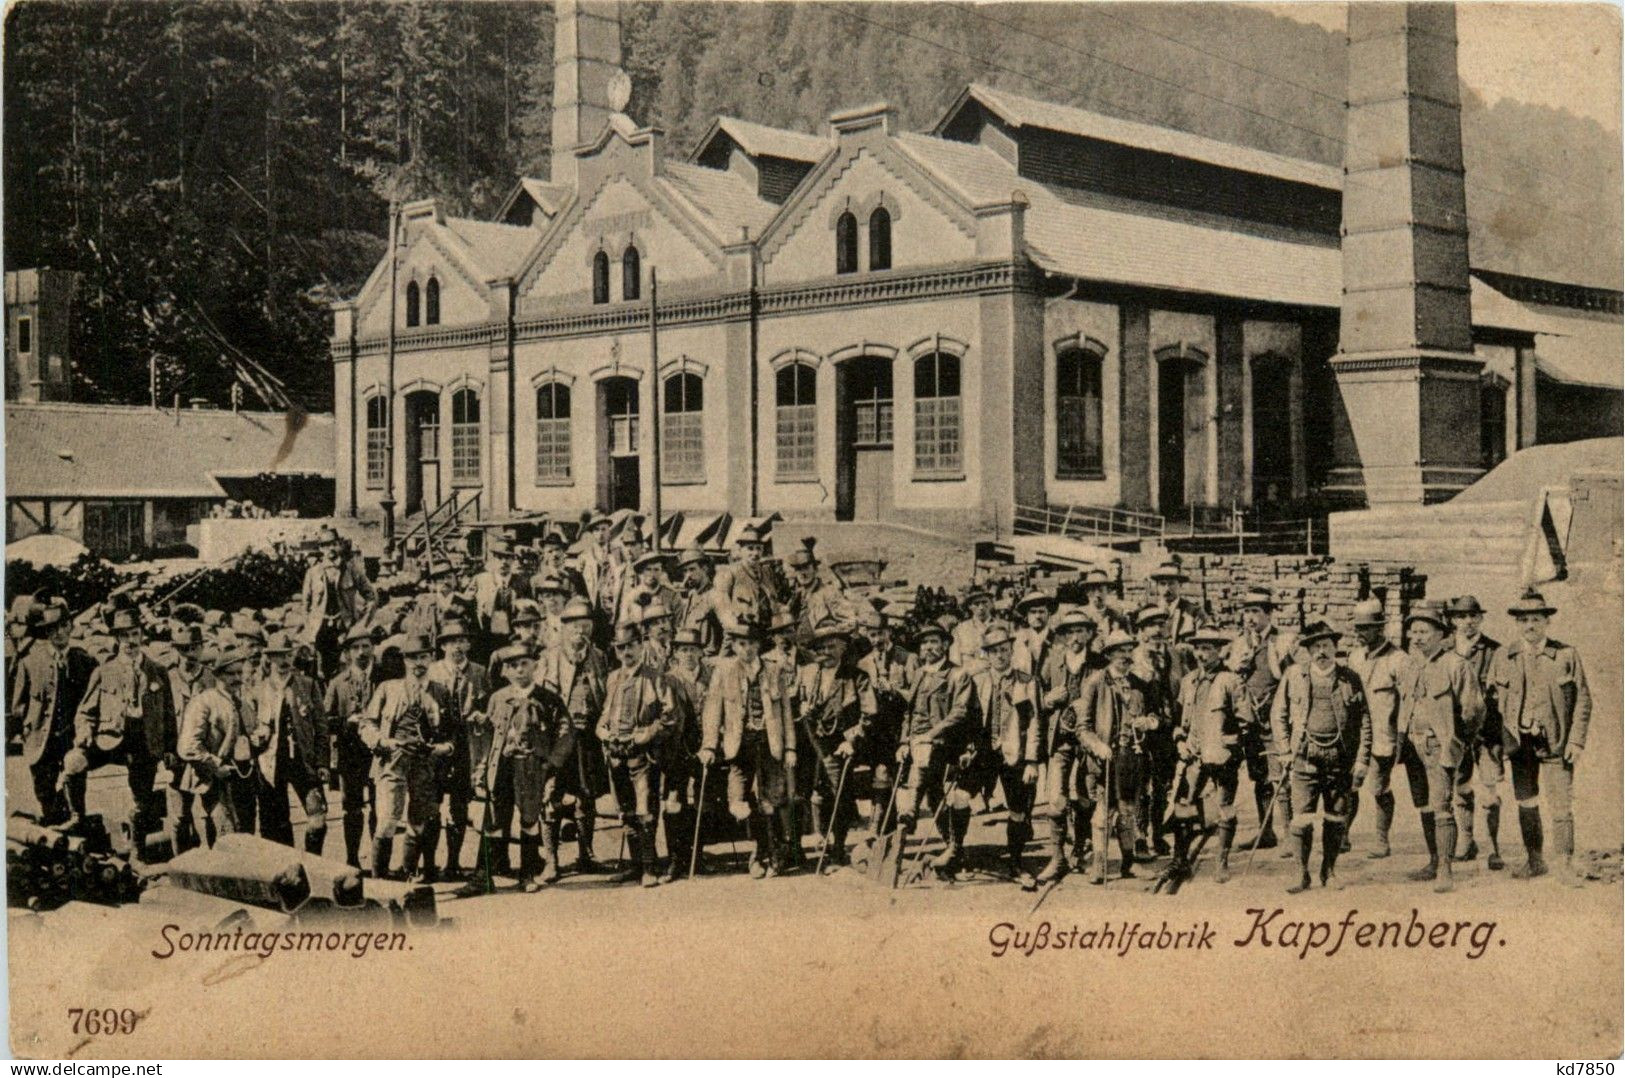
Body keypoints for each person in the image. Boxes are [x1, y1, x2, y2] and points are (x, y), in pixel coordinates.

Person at [1490, 588, 1592, 884]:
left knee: (1561, 805)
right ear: (1516, 624)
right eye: (1523, 621)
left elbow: (1584, 700)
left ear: (1547, 622)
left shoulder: (1565, 655)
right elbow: (1493, 702)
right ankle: (1534, 860)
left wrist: (1576, 740)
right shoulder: (1504, 656)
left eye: (1535, 619)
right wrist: (1499, 745)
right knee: (1526, 802)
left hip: (1556, 743)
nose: (1530, 626)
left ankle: (1564, 864)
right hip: (1519, 745)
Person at [1269, 621, 1370, 893]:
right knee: (1301, 818)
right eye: (1315, 646)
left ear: (1335, 648)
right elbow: (1278, 715)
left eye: (1326, 645)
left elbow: (1364, 722)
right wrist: (1284, 750)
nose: (1321, 652)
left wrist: (1362, 760)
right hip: (1303, 757)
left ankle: (1330, 870)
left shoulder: (1350, 678)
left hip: (1340, 758)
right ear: (1308, 650)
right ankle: (1301, 874)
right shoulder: (1294, 676)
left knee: (1336, 817)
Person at [66, 609, 177, 857]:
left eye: (134, 634)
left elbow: (169, 716)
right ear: (116, 639)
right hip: (109, 740)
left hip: (144, 741)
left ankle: (137, 853)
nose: (130, 641)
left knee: (142, 801)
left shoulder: (158, 671)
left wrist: (170, 748)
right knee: (73, 762)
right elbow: (84, 712)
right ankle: (77, 818)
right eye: (124, 636)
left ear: (142, 635)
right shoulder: (105, 671)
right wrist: (84, 733)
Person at [1395, 601, 1484, 893]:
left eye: (1424, 631)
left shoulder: (1455, 665)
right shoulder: (1409, 664)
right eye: (1413, 632)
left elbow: (1473, 711)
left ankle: (1446, 870)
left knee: (1443, 807)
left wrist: (1457, 741)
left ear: (1439, 634)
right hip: (1411, 745)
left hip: (1439, 746)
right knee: (1424, 806)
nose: (1417, 637)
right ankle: (1433, 861)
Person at [465, 643, 567, 894]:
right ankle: (483, 877)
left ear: (535, 666)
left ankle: (528, 875)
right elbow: (488, 734)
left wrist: (551, 761)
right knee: (494, 819)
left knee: (530, 819)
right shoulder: (498, 698)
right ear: (505, 671)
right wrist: (481, 767)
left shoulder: (548, 699)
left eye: (524, 664)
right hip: (501, 766)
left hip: (530, 767)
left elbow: (565, 733)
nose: (519, 670)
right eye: (513, 665)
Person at [700, 618, 793, 878]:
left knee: (770, 802)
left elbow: (785, 712)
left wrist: (790, 748)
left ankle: (767, 855)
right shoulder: (724, 671)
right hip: (738, 747)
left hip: (769, 745)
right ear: (735, 645)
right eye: (742, 644)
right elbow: (712, 711)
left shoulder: (774, 670)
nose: (747, 649)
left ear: (759, 645)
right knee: (738, 803)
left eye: (752, 643)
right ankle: (762, 850)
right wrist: (709, 745)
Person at [360, 634, 452, 880]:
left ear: (432, 658)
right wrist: (382, 741)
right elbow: (367, 724)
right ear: (404, 661)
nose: (418, 663)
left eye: (423, 657)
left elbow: (452, 734)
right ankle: (378, 882)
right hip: (393, 761)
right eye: (412, 658)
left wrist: (443, 748)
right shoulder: (388, 689)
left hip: (426, 764)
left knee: (418, 823)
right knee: (387, 822)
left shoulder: (441, 692)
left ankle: (407, 875)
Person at [792, 620, 877, 873]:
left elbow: (869, 713)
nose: (825, 653)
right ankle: (814, 843)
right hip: (809, 743)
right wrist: (802, 708)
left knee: (838, 793)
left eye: (831, 647)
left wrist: (851, 739)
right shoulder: (808, 673)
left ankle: (838, 848)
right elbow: (797, 702)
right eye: (820, 648)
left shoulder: (856, 677)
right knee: (810, 793)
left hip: (838, 745)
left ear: (842, 648)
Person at [598, 625, 680, 887]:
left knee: (645, 809)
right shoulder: (613, 679)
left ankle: (649, 867)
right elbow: (605, 714)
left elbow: (670, 717)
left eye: (630, 646)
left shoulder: (656, 678)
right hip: (616, 753)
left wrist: (649, 732)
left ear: (641, 646)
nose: (626, 652)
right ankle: (635, 865)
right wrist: (601, 730)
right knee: (625, 811)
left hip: (643, 755)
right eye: (620, 648)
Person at [1173, 627, 1256, 884]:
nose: (1201, 654)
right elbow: (1178, 721)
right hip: (1193, 756)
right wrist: (1179, 742)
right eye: (1198, 648)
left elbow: (1247, 722)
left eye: (1207, 648)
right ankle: (1180, 860)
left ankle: (1222, 861)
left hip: (1221, 756)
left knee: (1225, 809)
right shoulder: (1188, 682)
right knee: (1183, 806)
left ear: (1219, 651)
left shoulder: (1231, 681)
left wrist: (1233, 749)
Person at [537, 599, 612, 875]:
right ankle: (551, 861)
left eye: (585, 626)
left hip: (588, 735)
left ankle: (586, 854)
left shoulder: (599, 656)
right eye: (575, 627)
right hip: (559, 737)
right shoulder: (550, 657)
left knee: (585, 796)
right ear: (564, 629)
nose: (580, 632)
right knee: (552, 796)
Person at [894, 617, 973, 877]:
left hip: (947, 745)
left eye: (934, 642)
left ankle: (946, 842)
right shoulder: (919, 674)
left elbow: (959, 713)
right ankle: (938, 841)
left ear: (945, 645)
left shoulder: (958, 675)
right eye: (924, 643)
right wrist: (905, 742)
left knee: (943, 797)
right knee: (930, 795)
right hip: (918, 745)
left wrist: (929, 735)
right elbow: (908, 713)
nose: (928, 647)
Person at [963, 625, 1040, 887]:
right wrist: (967, 748)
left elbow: (1034, 724)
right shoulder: (977, 680)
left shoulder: (1026, 681)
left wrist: (1031, 761)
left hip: (1013, 754)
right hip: (984, 752)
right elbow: (968, 717)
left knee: (1017, 810)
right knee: (960, 797)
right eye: (994, 651)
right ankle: (956, 852)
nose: (1000, 655)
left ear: (1011, 650)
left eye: (1004, 650)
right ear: (987, 654)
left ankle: (1016, 862)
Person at [242, 632, 329, 854]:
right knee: (275, 825)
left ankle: (312, 862)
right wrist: (257, 738)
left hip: (303, 760)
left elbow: (321, 728)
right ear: (269, 658)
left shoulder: (308, 685)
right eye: (278, 655)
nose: (283, 661)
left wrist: (322, 762)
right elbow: (248, 728)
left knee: (317, 820)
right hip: (271, 762)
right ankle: (289, 872)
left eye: (287, 655)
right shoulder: (257, 690)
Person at [1075, 630, 1150, 884]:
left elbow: (1156, 715)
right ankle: (1100, 865)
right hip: (1104, 760)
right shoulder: (1095, 682)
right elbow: (1082, 727)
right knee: (1102, 815)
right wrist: (1098, 746)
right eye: (1120, 652)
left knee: (1128, 812)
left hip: (1131, 758)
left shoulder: (1138, 683)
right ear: (1108, 655)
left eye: (1129, 651)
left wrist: (1149, 722)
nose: (1126, 657)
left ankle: (1129, 864)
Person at [1034, 607, 1102, 882]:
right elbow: (1037, 697)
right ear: (1062, 636)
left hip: (1088, 739)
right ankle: (1058, 858)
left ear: (1089, 634)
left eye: (1081, 631)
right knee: (1056, 801)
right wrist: (1050, 699)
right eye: (1070, 632)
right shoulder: (1052, 661)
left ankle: (1080, 848)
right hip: (1059, 739)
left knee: (1086, 795)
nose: (1075, 637)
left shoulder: (1099, 664)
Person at [11, 606, 96, 825]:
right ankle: (51, 829)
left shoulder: (84, 661)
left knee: (75, 783)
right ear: (46, 633)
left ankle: (77, 825)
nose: (58, 632)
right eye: (52, 629)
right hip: (41, 737)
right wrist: (25, 730)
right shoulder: (30, 662)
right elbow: (19, 705)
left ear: (70, 627)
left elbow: (93, 698)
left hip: (70, 735)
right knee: (44, 791)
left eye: (62, 626)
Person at [1229, 587, 1296, 853]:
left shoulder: (1283, 641)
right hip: (1250, 721)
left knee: (1281, 778)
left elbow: (1293, 681)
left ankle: (1290, 835)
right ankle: (1265, 831)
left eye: (1256, 611)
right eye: (1246, 612)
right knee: (1259, 777)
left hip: (1276, 719)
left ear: (1269, 614)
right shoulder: (1238, 644)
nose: (1250, 618)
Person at [427, 619, 489, 881]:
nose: (457, 647)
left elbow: (488, 707)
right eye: (451, 642)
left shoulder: (479, 672)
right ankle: (429, 864)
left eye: (462, 641)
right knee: (431, 804)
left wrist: (480, 714)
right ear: (442, 646)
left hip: (466, 745)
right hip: (438, 745)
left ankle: (453, 862)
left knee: (459, 805)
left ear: (470, 644)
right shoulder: (432, 672)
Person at [1447, 595, 1505, 869]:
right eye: (1461, 617)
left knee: (1490, 790)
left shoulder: (1495, 650)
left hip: (1487, 733)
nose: (1467, 622)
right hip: (1456, 732)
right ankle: (1466, 840)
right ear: (1453, 620)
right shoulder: (1446, 650)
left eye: (1473, 616)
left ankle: (1494, 847)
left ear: (1480, 619)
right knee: (1460, 787)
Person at [1345, 599, 1407, 860]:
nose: (1360, 633)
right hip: (1355, 736)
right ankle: (1342, 836)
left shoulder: (1398, 659)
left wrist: (1400, 741)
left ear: (1379, 628)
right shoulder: (1355, 657)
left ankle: (1381, 839)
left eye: (1366, 628)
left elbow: (1406, 704)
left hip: (1383, 736)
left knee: (1379, 787)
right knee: (1348, 785)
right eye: (1358, 628)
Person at [177, 648, 257, 845]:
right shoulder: (203, 702)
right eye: (231, 674)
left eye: (240, 672)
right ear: (218, 675)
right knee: (227, 835)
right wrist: (215, 765)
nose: (237, 678)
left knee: (247, 835)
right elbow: (187, 746)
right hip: (215, 781)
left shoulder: (244, 703)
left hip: (243, 780)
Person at [323, 623, 384, 869]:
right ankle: (352, 860)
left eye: (366, 647)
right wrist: (346, 722)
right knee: (352, 809)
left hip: (379, 753)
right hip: (351, 754)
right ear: (347, 653)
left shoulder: (384, 678)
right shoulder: (337, 683)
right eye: (356, 648)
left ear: (373, 648)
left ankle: (380, 864)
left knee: (380, 806)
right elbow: (325, 721)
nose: (361, 653)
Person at [856, 609, 917, 837]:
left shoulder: (907, 658)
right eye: (872, 635)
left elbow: (917, 697)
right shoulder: (863, 664)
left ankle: (902, 827)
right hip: (877, 732)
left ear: (889, 632)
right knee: (880, 776)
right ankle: (882, 831)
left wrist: (895, 690)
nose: (877, 640)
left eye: (880, 634)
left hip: (902, 727)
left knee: (901, 779)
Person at [1130, 606, 1180, 857]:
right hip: (1141, 730)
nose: (1159, 629)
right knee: (1141, 786)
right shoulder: (1133, 658)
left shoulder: (1173, 656)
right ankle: (1139, 836)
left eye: (1162, 624)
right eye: (1152, 624)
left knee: (1162, 784)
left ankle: (1157, 833)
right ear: (1141, 631)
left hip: (1166, 729)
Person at [301, 526, 376, 680]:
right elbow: (306, 604)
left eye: (334, 543)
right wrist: (309, 626)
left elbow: (372, 596)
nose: (331, 548)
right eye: (326, 545)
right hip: (320, 629)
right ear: (321, 548)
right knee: (319, 671)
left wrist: (362, 623)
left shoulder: (352, 570)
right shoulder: (313, 573)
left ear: (340, 545)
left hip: (345, 627)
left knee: (347, 669)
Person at [164, 625, 214, 855]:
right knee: (179, 814)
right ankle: (181, 862)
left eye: (193, 648)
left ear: (201, 648)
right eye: (183, 649)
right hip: (176, 755)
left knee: (209, 811)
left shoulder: (211, 677)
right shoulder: (167, 676)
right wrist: (166, 748)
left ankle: (213, 862)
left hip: (204, 753)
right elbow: (160, 717)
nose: (188, 655)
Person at [672, 546, 725, 655]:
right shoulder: (692, 595)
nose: (688, 575)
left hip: (708, 660)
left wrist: (722, 658)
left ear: (704, 569)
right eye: (685, 571)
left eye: (692, 569)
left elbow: (731, 630)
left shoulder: (716, 595)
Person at [1012, 590, 1056, 676]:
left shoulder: (1057, 639)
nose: (1037, 616)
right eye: (1033, 612)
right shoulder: (1017, 639)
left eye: (1041, 612)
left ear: (1049, 614)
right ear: (1026, 616)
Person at [949, 587, 994, 669]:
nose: (981, 607)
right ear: (970, 606)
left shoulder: (1005, 626)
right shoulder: (960, 630)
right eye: (976, 604)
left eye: (984, 602)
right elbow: (955, 660)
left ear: (991, 603)